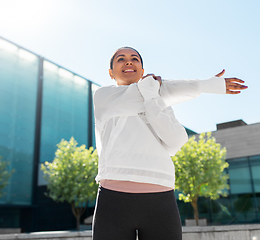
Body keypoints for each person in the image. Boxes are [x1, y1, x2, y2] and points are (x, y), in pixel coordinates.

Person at [92, 46, 248, 240]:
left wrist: (153, 95)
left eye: (135, 59)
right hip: (113, 198)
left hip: (161, 197)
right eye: (121, 59)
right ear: (111, 72)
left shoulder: (157, 100)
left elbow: (176, 142)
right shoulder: (103, 96)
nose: (128, 61)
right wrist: (206, 85)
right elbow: (146, 94)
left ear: (142, 71)